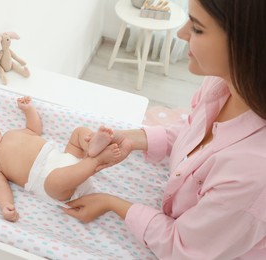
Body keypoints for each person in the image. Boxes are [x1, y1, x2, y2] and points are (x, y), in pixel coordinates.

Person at [63, 0, 266, 259]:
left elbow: (184, 249)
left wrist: (111, 203)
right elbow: (194, 131)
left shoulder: (254, 173)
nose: (181, 34)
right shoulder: (221, 84)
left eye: (198, 29)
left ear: (249, 44)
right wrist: (136, 138)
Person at [0, 96, 125, 222]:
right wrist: (6, 205)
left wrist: (29, 110)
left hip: (64, 157)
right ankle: (95, 161)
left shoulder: (11, 133)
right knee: (55, 180)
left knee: (78, 133)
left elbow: (34, 129)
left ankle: (92, 148)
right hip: (52, 182)